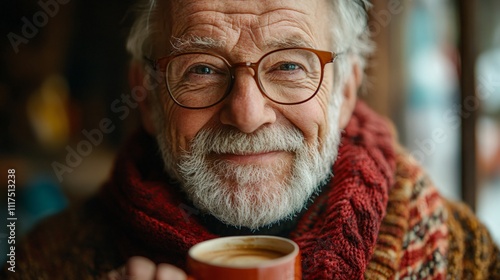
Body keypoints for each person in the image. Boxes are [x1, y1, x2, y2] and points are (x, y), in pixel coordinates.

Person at [4, 0, 500, 279]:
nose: (247, 114)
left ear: (346, 90)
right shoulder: (43, 264)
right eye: (201, 68)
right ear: (147, 96)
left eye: (288, 65)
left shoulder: (463, 259)